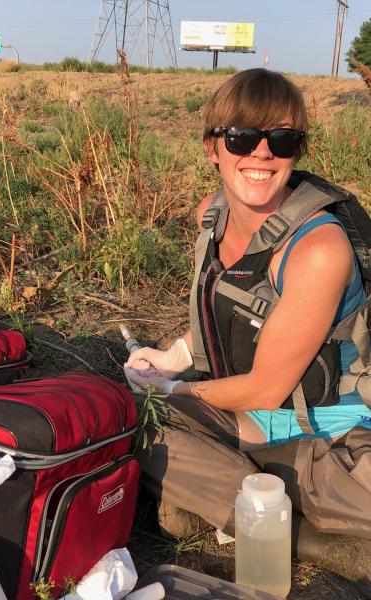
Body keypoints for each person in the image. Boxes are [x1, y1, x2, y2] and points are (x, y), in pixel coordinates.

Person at [124, 68, 371, 587]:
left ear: (296, 151)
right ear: (212, 147)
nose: (262, 154)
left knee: (153, 425)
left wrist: (173, 389)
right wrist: (174, 356)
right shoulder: (210, 217)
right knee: (129, 423)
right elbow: (233, 313)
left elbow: (267, 388)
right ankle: (291, 523)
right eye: (242, 137)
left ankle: (268, 518)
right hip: (250, 419)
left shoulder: (318, 248)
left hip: (337, 434)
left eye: (281, 140)